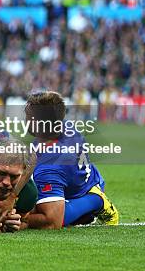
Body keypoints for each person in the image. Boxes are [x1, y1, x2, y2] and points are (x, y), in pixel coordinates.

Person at [21, 91, 119, 229]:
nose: (25, 120)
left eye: (28, 116)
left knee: (40, 212)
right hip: (87, 180)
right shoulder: (65, 125)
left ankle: (96, 201)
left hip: (79, 193)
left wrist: (21, 219)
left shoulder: (49, 166)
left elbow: (52, 222)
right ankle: (86, 209)